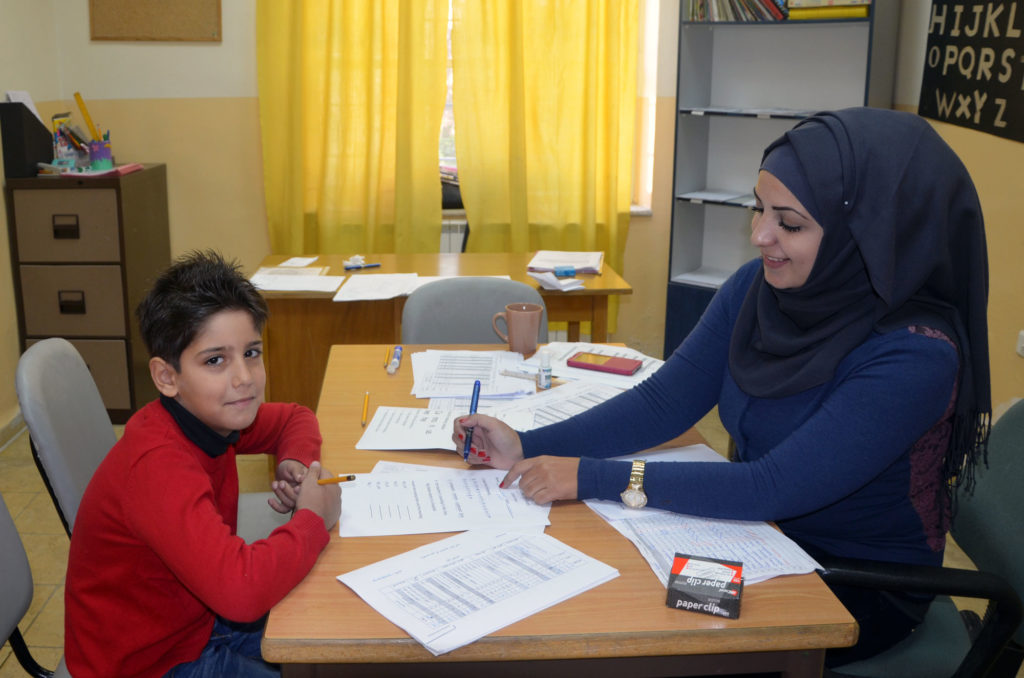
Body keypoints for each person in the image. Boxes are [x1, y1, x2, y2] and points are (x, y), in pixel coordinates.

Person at [453, 107, 990, 666]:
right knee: (606, 603)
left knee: (647, 642)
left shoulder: (917, 353)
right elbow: (666, 400)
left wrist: (590, 475)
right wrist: (529, 442)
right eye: (760, 209)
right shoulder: (760, 288)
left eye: (791, 223)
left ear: (868, 232)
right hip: (759, 537)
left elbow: (771, 486)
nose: (760, 236)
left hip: (849, 582)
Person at [64, 251, 342, 678]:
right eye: (215, 360)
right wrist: (312, 519)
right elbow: (240, 591)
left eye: (251, 352)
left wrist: (293, 463)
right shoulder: (158, 466)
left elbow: (295, 417)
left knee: (329, 626)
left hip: (195, 621)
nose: (244, 378)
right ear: (167, 377)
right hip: (149, 664)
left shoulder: (214, 413)